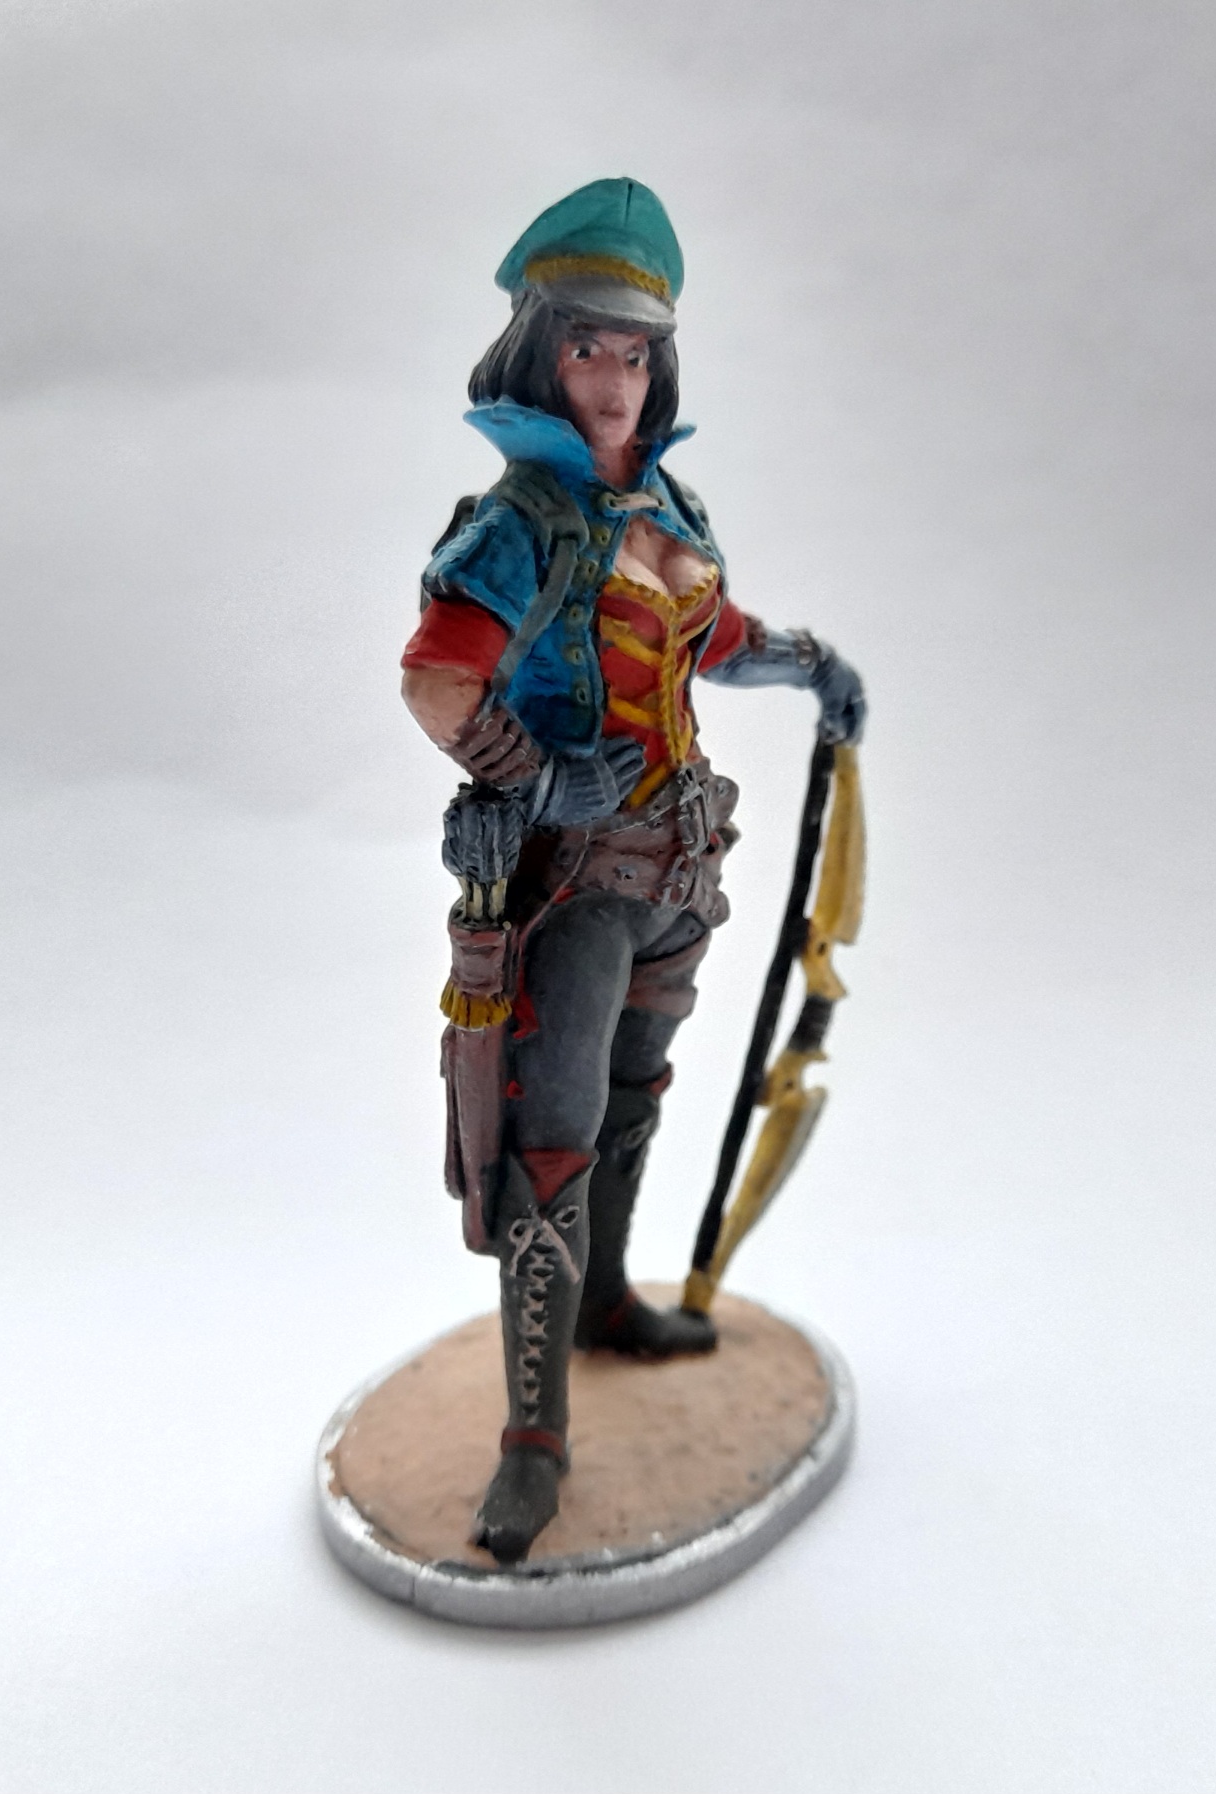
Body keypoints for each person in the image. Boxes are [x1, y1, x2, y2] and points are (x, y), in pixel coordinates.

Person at [400, 177, 865, 1562]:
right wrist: (538, 779)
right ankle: (531, 1441)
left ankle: (605, 1302)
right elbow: (435, 682)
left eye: (637, 352)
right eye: (587, 349)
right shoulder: (517, 523)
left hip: (678, 866)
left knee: (632, 1103)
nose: (614, 381)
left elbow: (713, 636)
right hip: (571, 884)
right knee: (548, 1149)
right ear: (539, 355)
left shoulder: (670, 503)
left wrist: (808, 664)